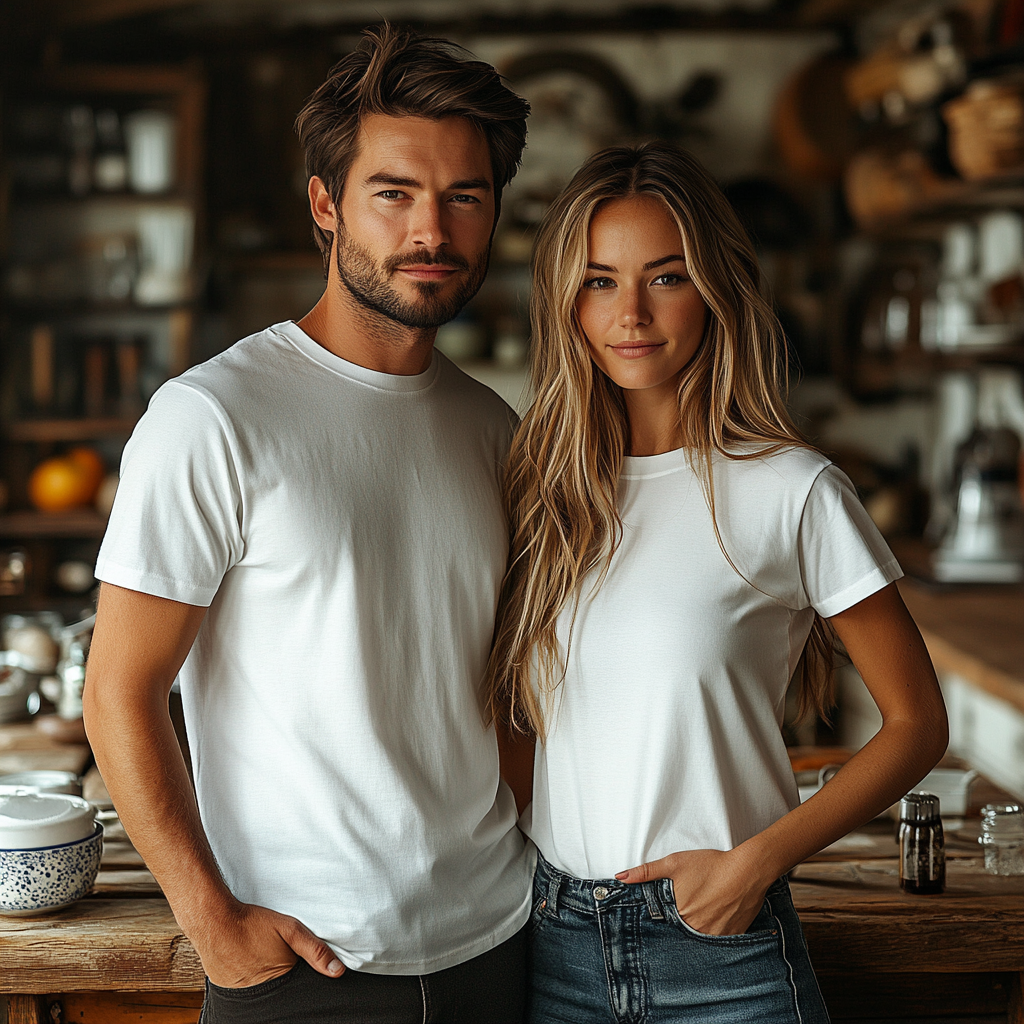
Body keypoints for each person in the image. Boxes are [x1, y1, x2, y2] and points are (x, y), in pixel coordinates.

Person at [83, 26, 534, 1024]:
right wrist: (212, 923)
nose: (433, 228)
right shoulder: (213, 418)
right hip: (302, 968)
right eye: (395, 192)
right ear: (326, 205)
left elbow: (502, 692)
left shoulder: (494, 430)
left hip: (499, 945)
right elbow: (118, 691)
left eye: (465, 195)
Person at [485, 142, 949, 1024]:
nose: (632, 314)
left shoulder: (792, 490)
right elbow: (517, 720)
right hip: (553, 945)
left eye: (666, 277)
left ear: (715, 288)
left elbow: (918, 724)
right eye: (599, 281)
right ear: (566, 301)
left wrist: (756, 864)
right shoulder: (541, 489)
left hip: (720, 952)